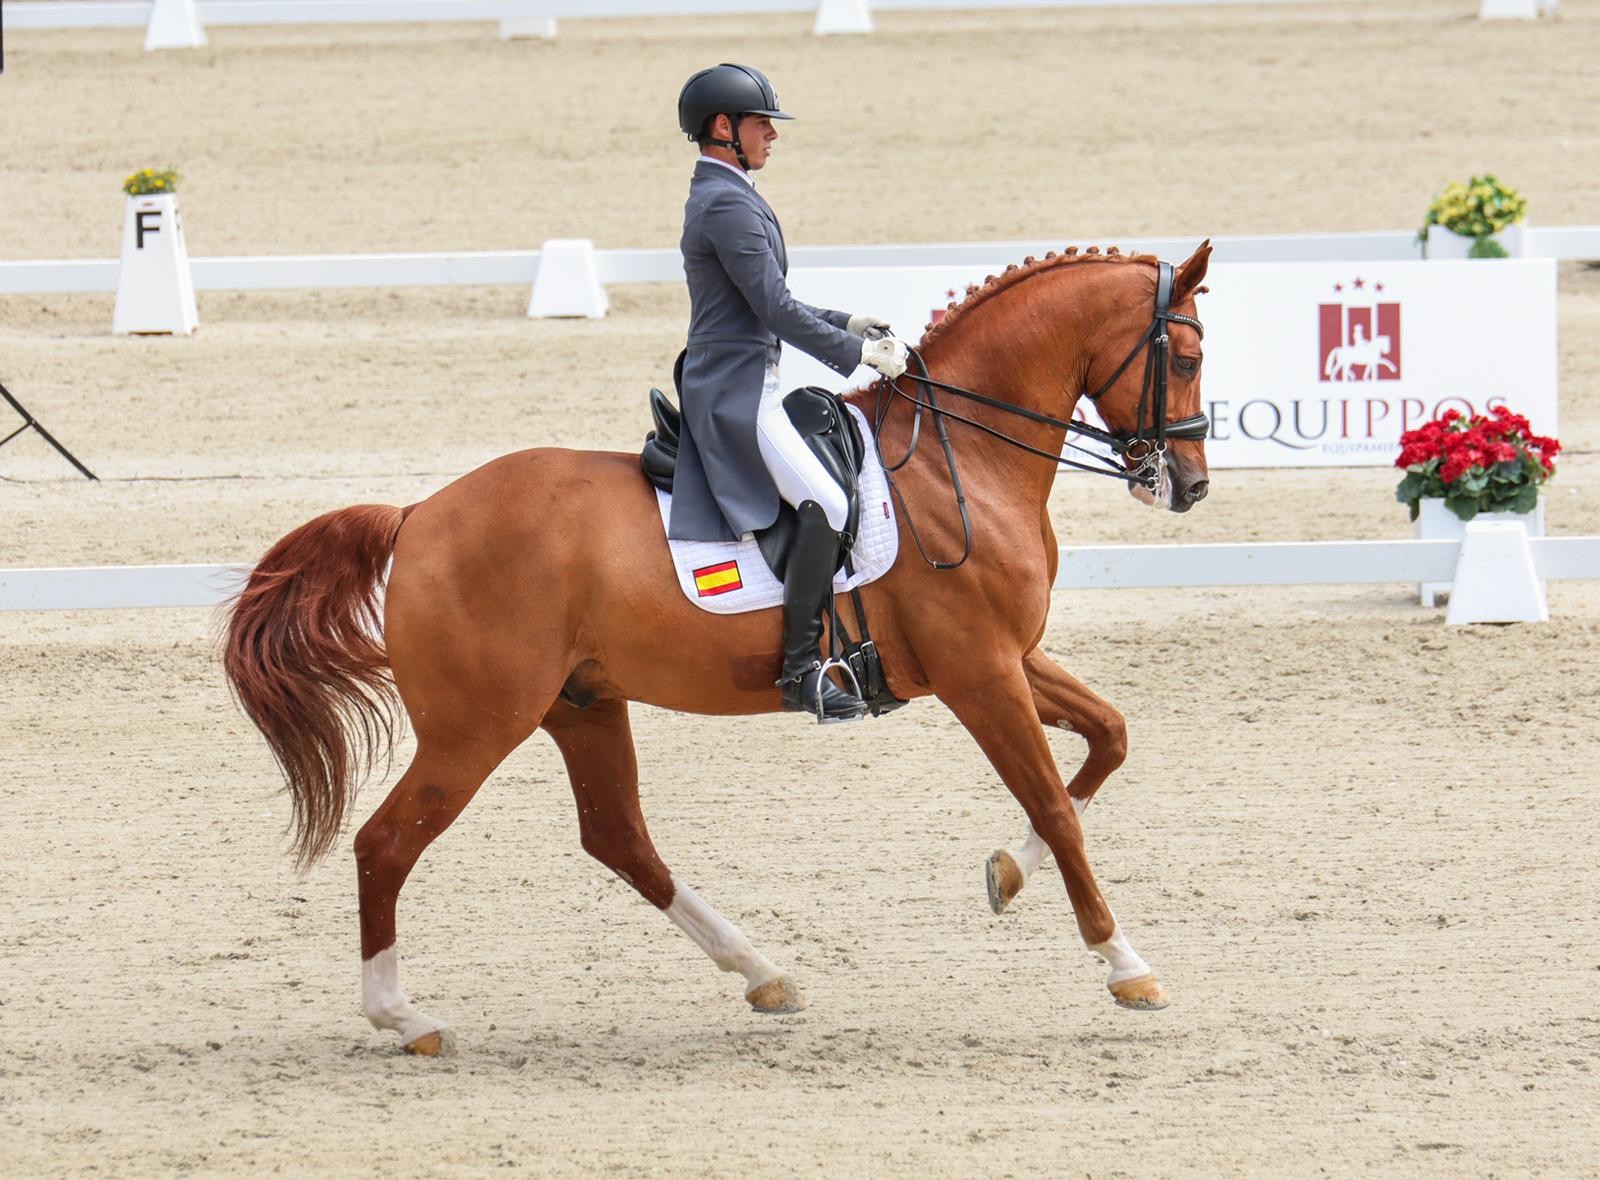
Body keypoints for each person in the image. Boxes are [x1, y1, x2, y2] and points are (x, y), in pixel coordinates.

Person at [671, 63, 908, 724]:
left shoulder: (732, 194)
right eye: (760, 122)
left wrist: (847, 323)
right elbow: (772, 309)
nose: (772, 134)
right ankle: (802, 669)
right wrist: (853, 356)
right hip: (736, 390)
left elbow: (772, 302)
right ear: (725, 129)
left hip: (750, 375)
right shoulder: (725, 203)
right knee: (828, 503)